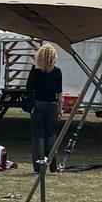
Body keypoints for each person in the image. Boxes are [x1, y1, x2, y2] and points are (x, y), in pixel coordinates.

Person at [24, 42, 63, 180]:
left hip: (38, 104)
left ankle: (38, 165)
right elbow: (59, 92)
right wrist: (60, 108)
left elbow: (29, 87)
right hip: (52, 105)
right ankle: (52, 160)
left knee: (37, 135)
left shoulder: (35, 72)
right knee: (51, 134)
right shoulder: (57, 72)